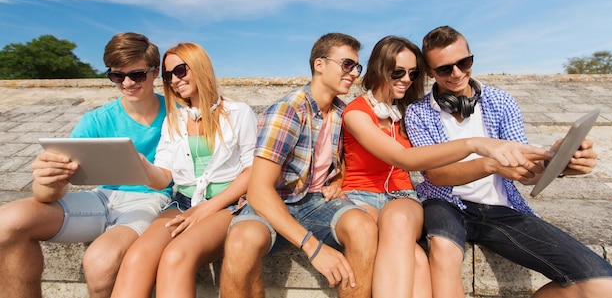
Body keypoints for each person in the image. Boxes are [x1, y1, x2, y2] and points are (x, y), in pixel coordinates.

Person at [405, 25, 612, 298]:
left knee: (607, 285)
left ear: (471, 57)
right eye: (444, 69)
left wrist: (557, 163)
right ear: (429, 72)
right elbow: (437, 175)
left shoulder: (501, 101)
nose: (457, 73)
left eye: (464, 63)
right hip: (444, 203)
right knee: (444, 249)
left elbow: (525, 171)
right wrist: (491, 163)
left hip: (500, 208)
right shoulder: (417, 113)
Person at [341, 35, 552, 298]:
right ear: (378, 70)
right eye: (397, 72)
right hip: (363, 197)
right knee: (417, 261)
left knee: (397, 220)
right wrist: (474, 144)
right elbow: (404, 159)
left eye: (413, 73)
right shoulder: (356, 113)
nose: (406, 79)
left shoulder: (408, 112)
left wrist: (551, 157)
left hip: (401, 197)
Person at [0, 32, 172, 298]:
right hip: (102, 198)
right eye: (117, 76)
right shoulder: (96, 120)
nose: (127, 83)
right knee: (7, 222)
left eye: (137, 74)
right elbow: (48, 194)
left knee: (101, 261)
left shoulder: (179, 115)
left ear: (154, 71)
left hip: (152, 200)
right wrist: (47, 180)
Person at [219, 32, 378, 298]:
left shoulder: (341, 111)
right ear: (319, 64)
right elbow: (259, 190)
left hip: (316, 202)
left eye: (357, 67)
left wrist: (338, 180)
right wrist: (312, 246)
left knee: (363, 227)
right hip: (275, 202)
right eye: (347, 65)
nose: (354, 73)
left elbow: (341, 158)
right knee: (241, 241)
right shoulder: (288, 111)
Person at [111, 42, 257, 297]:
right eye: (168, 76)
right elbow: (163, 177)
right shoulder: (174, 121)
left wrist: (206, 209)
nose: (174, 80)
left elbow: (251, 170)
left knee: (175, 256)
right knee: (137, 257)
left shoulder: (238, 112)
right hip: (182, 203)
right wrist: (141, 166)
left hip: (226, 205)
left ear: (199, 66)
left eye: (180, 71)